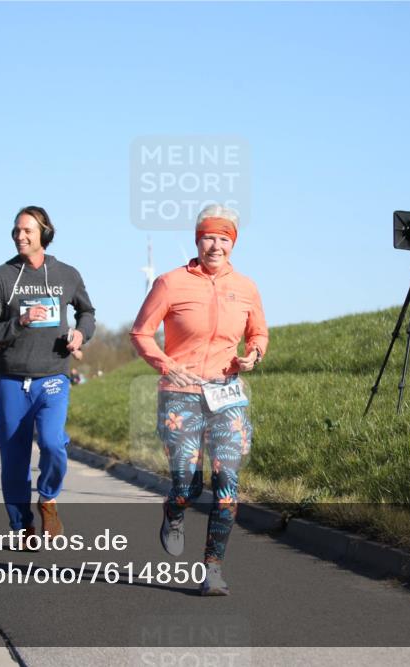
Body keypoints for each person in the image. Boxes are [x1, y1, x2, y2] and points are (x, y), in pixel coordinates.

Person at [130, 204, 268, 596]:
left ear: (233, 243)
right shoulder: (170, 283)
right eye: (209, 236)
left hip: (227, 395)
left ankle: (213, 570)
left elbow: (259, 334)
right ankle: (174, 510)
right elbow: (141, 334)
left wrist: (252, 355)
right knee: (186, 485)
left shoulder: (246, 287)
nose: (216, 245)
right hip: (181, 394)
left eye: (224, 238)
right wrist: (165, 364)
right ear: (198, 238)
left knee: (227, 483)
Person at [0, 206, 95, 537]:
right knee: (14, 461)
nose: (20, 236)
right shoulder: (0, 278)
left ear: (44, 233)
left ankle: (48, 498)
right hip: (13, 380)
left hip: (53, 376)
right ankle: (21, 526)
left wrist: (80, 334)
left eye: (27, 230)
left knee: (53, 443)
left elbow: (87, 312)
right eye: (16, 230)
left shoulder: (67, 275)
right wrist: (19, 322)